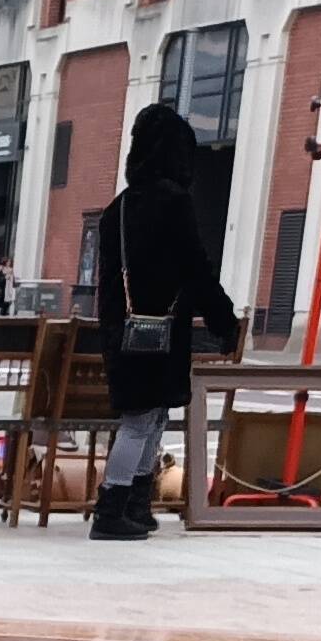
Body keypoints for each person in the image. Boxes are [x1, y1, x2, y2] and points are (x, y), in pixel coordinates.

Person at [90, 102, 242, 541]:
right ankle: (115, 506)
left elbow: (109, 281)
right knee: (145, 420)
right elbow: (196, 268)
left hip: (123, 330)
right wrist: (223, 321)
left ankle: (133, 505)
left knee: (147, 416)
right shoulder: (174, 202)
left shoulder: (117, 209)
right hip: (162, 328)